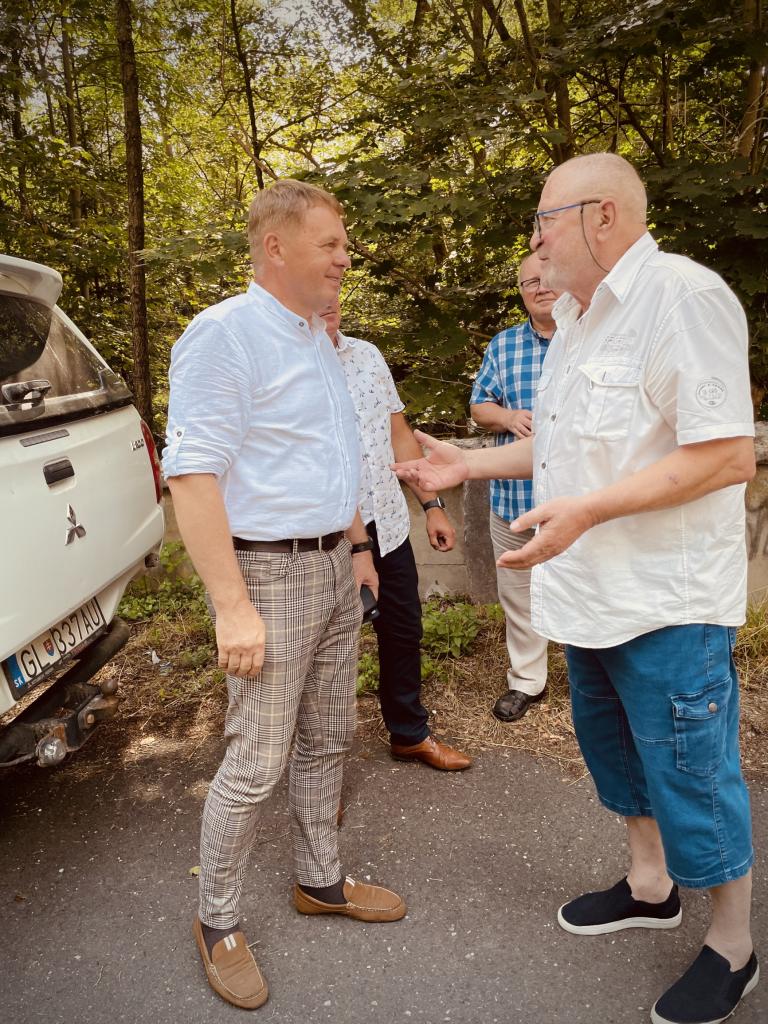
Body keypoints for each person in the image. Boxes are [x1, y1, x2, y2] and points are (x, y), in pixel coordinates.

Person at [393, 153, 758, 1024]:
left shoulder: (684, 299)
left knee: (692, 772)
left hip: (665, 603)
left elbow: (725, 456)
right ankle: (649, 886)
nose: (535, 240)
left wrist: (588, 511)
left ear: (602, 216)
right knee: (617, 752)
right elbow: (560, 444)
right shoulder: (576, 318)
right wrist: (469, 462)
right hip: (586, 595)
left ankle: (733, 947)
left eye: (544, 220)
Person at [163, 180, 405, 1013]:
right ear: (276, 246)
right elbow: (192, 477)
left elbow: (331, 456)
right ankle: (217, 921)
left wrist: (358, 548)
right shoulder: (225, 335)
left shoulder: (313, 337)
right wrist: (233, 606)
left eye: (345, 245)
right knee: (257, 760)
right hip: (267, 576)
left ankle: (319, 880)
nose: (345, 258)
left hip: (334, 566)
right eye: (331, 243)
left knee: (329, 737)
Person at [320, 299, 472, 771]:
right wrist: (356, 545)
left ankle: (409, 734)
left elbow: (398, 433)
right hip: (327, 534)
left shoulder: (366, 355)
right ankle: (320, 772)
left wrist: (431, 505)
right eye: (320, 282)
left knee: (403, 631)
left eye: (336, 285)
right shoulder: (288, 361)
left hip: (387, 525)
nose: (329, 298)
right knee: (327, 650)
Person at [470, 252, 559, 722]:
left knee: (592, 586)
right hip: (515, 500)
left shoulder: (593, 337)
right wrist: (506, 417)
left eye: (547, 277)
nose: (540, 287)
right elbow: (478, 406)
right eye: (530, 282)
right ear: (521, 292)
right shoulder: (503, 346)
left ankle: (603, 682)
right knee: (520, 595)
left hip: (581, 500)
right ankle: (527, 681)